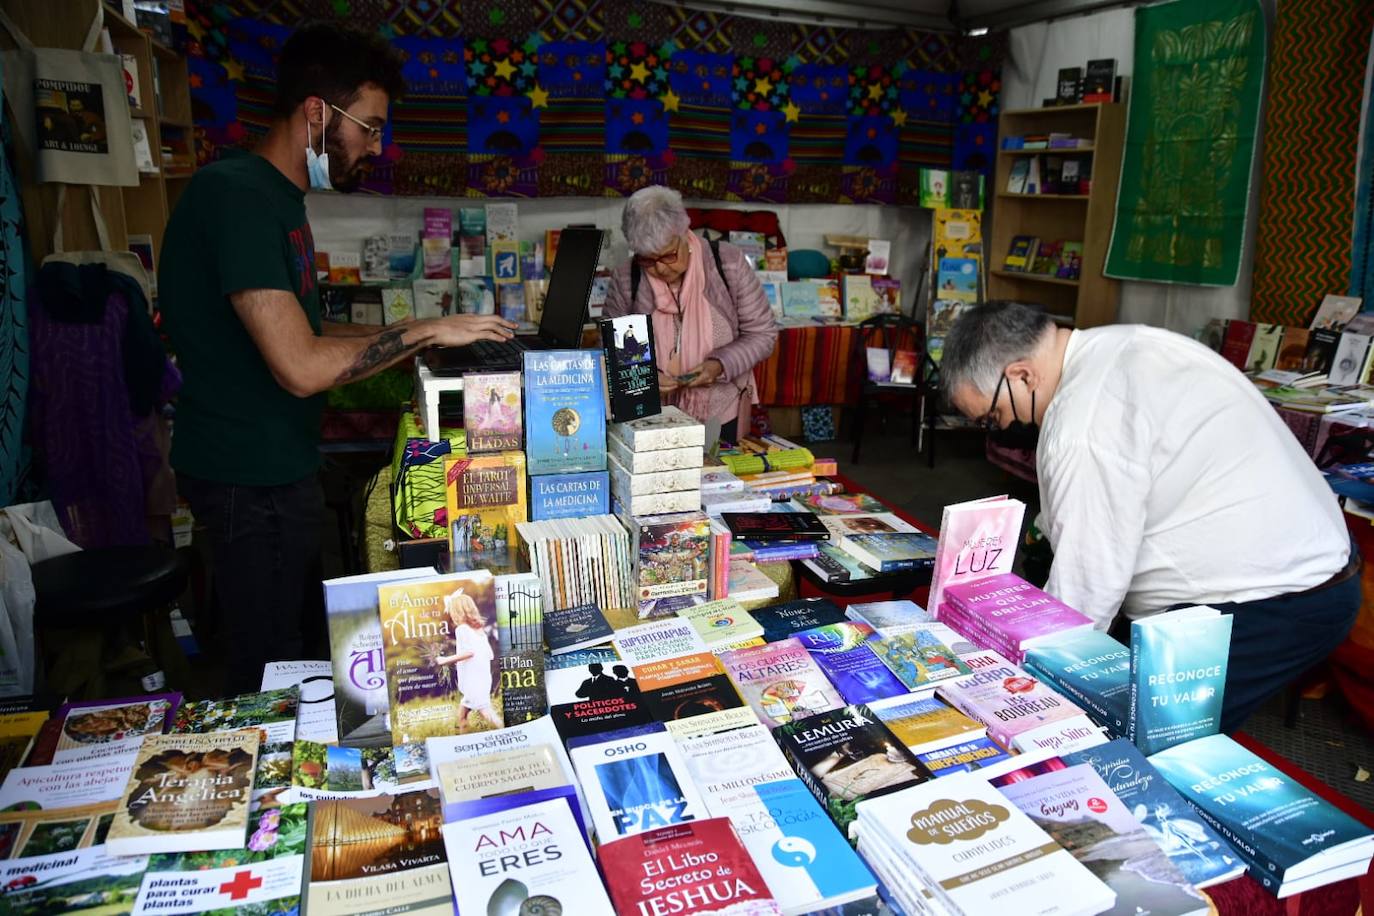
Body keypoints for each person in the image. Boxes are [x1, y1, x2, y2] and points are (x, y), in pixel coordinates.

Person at [159, 22, 518, 692]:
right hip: (247, 476)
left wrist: (432, 328)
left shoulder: (277, 198)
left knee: (299, 653)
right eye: (370, 127)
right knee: (267, 670)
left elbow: (308, 328)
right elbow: (299, 366)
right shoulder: (237, 196)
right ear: (318, 113)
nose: (376, 147)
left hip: (277, 468)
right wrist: (423, 334)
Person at [940, 301, 1360, 732]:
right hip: (1318, 564)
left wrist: (1011, 694)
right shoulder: (1122, 341)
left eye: (995, 416)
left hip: (1275, 600)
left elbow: (1085, 598)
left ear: (1023, 375)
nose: (1001, 429)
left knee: (1142, 741)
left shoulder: (1081, 425)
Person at [605, 186, 778, 442]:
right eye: (648, 261)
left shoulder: (727, 263)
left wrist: (718, 365)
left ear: (684, 232)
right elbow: (615, 351)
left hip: (721, 412)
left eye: (668, 255)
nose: (661, 269)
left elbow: (763, 334)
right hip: (651, 416)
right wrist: (647, 376)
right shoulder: (626, 276)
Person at [439, 590, 498, 730]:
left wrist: (446, 660)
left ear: (456, 612)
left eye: (452, 611)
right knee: (462, 717)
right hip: (483, 679)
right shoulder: (478, 630)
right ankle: (465, 738)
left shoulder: (462, 630)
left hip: (473, 683)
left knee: (488, 714)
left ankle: (504, 731)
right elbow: (490, 655)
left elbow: (469, 652)